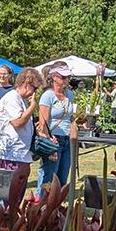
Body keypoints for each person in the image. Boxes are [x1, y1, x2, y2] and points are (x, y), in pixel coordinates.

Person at [0, 68, 44, 171]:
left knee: (19, 186)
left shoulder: (21, 100)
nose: (35, 93)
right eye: (35, 88)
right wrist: (33, 106)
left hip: (20, 154)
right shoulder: (12, 98)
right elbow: (18, 123)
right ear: (27, 84)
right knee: (11, 186)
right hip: (10, 155)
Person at [36, 61, 75, 196]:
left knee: (62, 177)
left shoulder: (70, 94)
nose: (67, 80)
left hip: (67, 139)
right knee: (49, 178)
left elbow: (70, 116)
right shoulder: (48, 96)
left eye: (68, 77)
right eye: (63, 77)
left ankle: (56, 209)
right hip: (53, 139)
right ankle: (41, 207)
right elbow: (43, 125)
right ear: (54, 77)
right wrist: (50, 147)